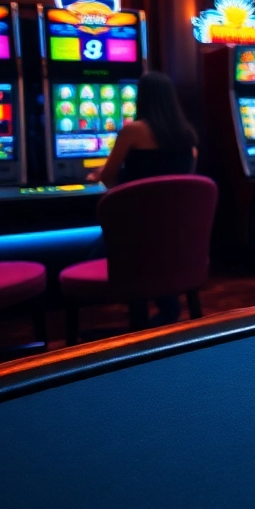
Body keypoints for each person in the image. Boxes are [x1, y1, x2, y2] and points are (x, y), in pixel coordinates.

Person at [87, 71, 198, 323]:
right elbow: (184, 184)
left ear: (142, 98)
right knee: (150, 254)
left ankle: (141, 321)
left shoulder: (132, 131)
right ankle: (166, 310)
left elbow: (108, 177)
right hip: (174, 232)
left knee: (95, 255)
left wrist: (96, 176)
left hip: (133, 228)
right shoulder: (188, 135)